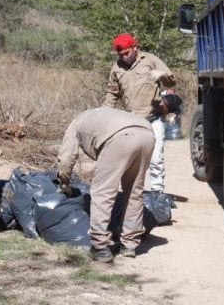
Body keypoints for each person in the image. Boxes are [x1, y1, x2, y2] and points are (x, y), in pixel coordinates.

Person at [57, 107, 155, 263]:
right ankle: (129, 244)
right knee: (134, 192)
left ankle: (100, 247)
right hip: (147, 134)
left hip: (120, 137)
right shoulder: (100, 115)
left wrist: (64, 184)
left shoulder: (75, 124)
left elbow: (66, 158)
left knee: (103, 191)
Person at [103, 33, 175, 192]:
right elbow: (112, 94)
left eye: (126, 53)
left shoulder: (150, 60)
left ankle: (157, 193)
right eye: (120, 55)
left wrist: (163, 75)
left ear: (135, 48)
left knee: (156, 159)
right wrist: (103, 115)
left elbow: (172, 81)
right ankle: (132, 193)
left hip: (154, 119)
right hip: (131, 122)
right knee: (130, 161)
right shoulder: (116, 68)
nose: (124, 57)